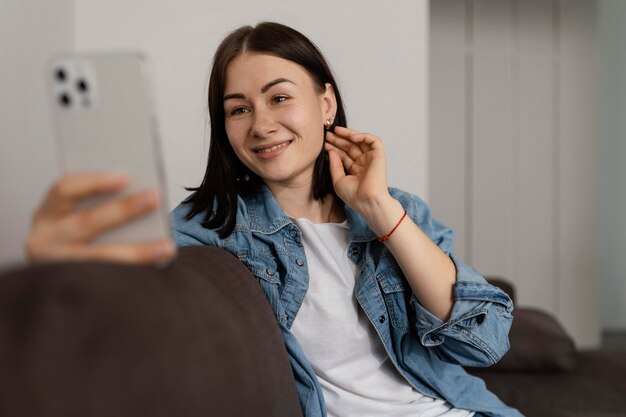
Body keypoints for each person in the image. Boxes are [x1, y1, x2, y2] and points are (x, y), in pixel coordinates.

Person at [26, 22, 523, 417]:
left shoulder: (399, 209)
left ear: (325, 104)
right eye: (238, 109)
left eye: (279, 97)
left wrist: (379, 211)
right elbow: (132, 325)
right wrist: (60, 276)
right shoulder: (208, 227)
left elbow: (483, 342)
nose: (261, 124)